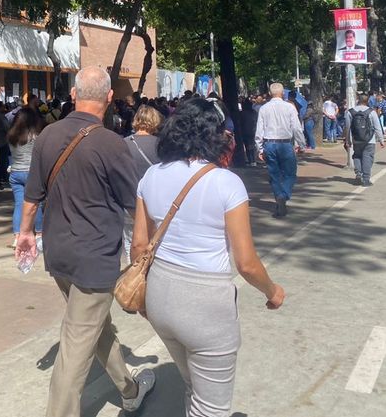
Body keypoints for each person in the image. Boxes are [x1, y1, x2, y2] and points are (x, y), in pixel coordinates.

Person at [131, 98, 284, 417]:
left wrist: (145, 301)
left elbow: (138, 247)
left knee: (193, 386)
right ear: (214, 135)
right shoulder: (226, 183)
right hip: (206, 307)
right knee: (212, 406)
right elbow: (246, 263)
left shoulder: (151, 176)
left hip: (160, 295)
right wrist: (273, 291)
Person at [16, 66, 155, 417]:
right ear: (109, 98)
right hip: (95, 258)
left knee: (95, 328)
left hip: (59, 253)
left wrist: (25, 234)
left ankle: (130, 388)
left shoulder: (46, 135)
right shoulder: (111, 143)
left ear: (74, 94)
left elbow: (32, 197)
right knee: (76, 346)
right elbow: (134, 205)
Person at [255, 83, 306, 218]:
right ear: (283, 93)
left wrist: (259, 148)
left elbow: (259, 130)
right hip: (285, 144)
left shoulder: (264, 109)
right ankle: (283, 195)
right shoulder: (289, 107)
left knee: (274, 174)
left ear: (270, 93)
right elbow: (296, 127)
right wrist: (301, 143)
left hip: (269, 144)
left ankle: (279, 195)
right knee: (290, 173)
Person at [123, 105, 163, 255]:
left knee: (129, 241)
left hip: (129, 201)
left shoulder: (123, 144)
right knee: (154, 241)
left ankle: (133, 273)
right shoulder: (161, 145)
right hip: (155, 201)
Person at [8, 107, 43, 249]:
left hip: (15, 173)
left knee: (18, 205)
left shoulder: (11, 135)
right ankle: (39, 234)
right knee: (37, 203)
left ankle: (17, 236)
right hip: (31, 173)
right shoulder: (36, 136)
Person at [344, 94, 385, 186]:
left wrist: (348, 140)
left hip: (356, 139)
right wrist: (381, 140)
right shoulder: (371, 112)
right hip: (369, 140)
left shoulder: (350, 112)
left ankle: (358, 173)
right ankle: (366, 179)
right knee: (367, 158)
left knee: (357, 156)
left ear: (358, 100)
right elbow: (377, 127)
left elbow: (347, 127)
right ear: (367, 102)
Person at [240, 99, 259, 166]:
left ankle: (250, 160)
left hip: (245, 131)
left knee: (247, 146)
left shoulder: (242, 113)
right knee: (252, 146)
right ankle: (253, 160)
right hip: (253, 130)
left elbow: (241, 123)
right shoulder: (254, 112)